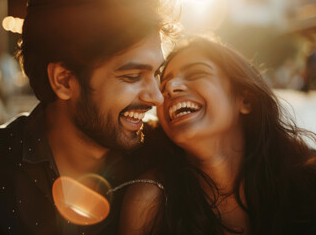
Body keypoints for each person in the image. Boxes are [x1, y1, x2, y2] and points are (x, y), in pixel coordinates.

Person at [0, 0, 178, 234]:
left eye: (156, 73)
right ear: (63, 80)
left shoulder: (166, 155)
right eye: (132, 76)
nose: (157, 97)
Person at [120, 35, 316, 235]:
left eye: (196, 73)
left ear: (245, 99)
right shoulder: (152, 200)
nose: (169, 88)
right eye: (163, 85)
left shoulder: (306, 180)